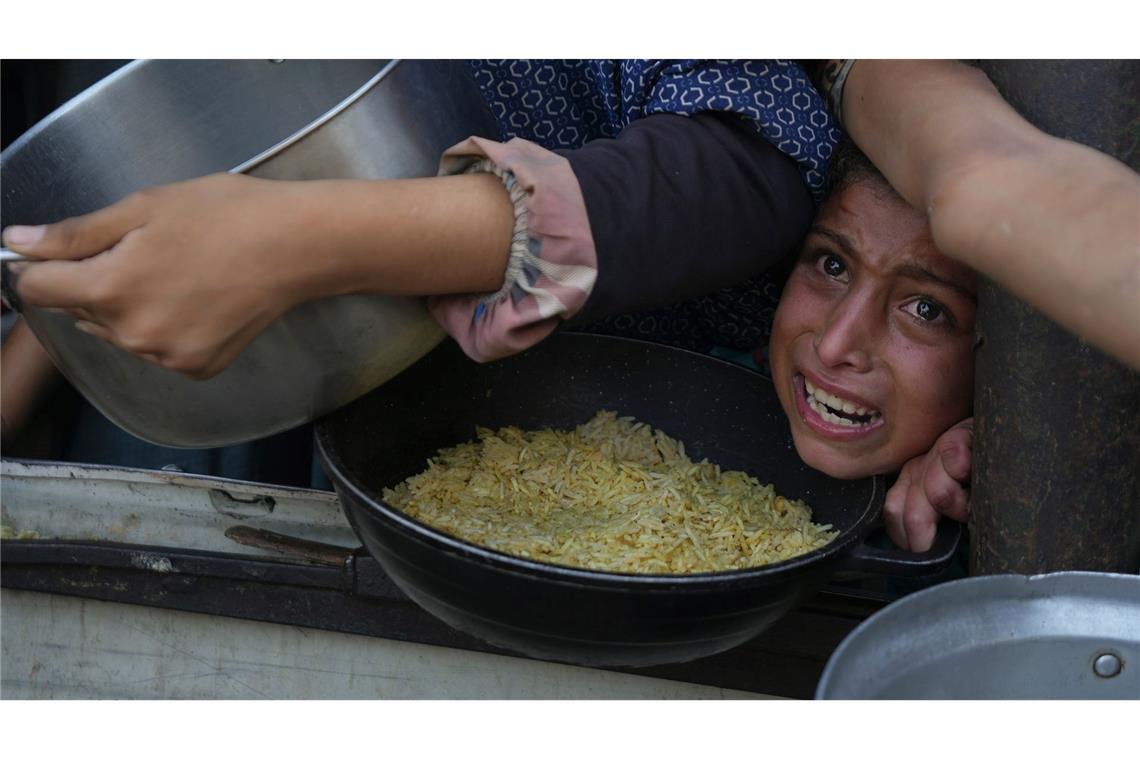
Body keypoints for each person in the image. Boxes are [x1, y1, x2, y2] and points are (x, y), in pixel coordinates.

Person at [3, 60, 1137, 550]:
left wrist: (300, 241)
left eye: (931, 313)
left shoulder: (885, 104)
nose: (844, 338)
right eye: (831, 273)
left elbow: (752, 165)